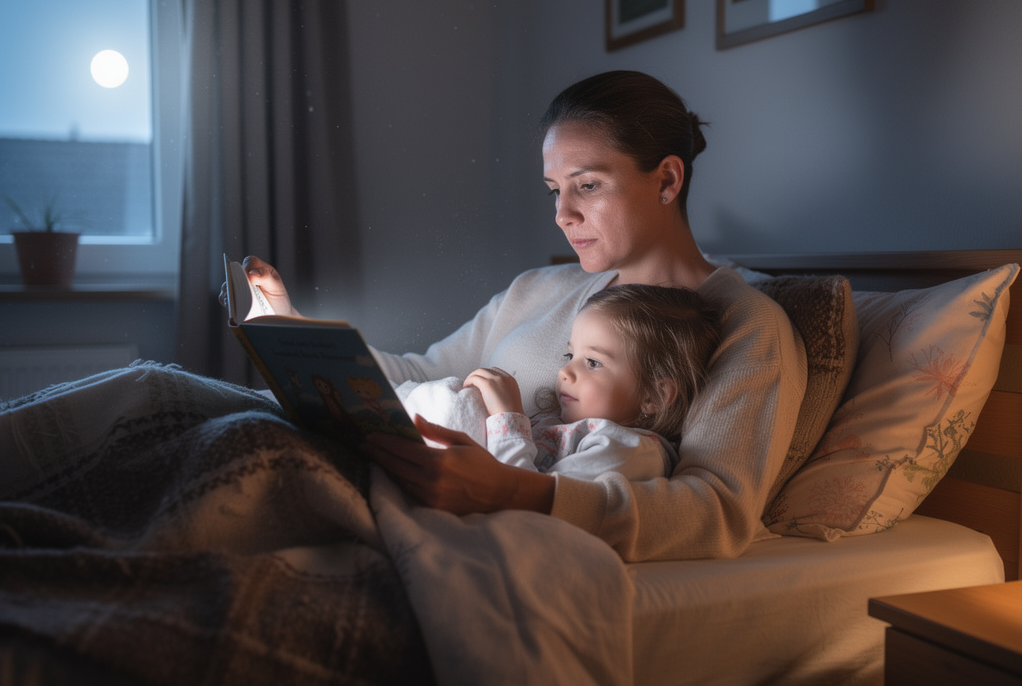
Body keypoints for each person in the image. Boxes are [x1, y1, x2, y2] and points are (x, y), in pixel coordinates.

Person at [237, 70, 806, 562]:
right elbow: (419, 372)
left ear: (667, 179)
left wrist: (510, 492)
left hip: (454, 515)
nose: (562, 213)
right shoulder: (539, 288)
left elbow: (716, 512)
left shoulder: (744, 325)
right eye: (554, 190)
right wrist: (291, 327)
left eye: (587, 185)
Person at [463, 283, 720, 483]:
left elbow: (525, 498)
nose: (565, 371)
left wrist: (507, 419)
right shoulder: (560, 425)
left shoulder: (630, 451)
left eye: (593, 363)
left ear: (654, 396)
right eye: (570, 355)